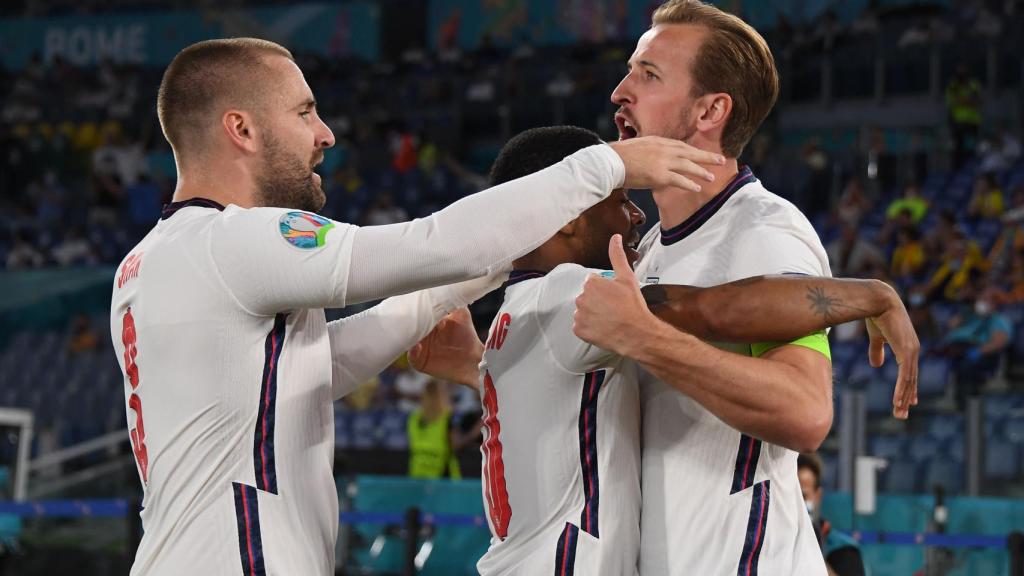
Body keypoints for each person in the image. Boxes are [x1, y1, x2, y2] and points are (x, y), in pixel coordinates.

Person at [107, 38, 720, 576]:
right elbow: (427, 246)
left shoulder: (148, 262)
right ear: (241, 129)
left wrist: (479, 278)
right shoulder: (236, 239)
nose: (325, 134)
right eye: (305, 112)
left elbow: (304, 375)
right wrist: (604, 164)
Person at [412, 126, 919, 575]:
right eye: (617, 199)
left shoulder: (511, 323)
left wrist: (474, 367)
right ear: (566, 218)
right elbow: (714, 310)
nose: (636, 214)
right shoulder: (566, 293)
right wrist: (868, 295)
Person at [572, 2, 916, 573]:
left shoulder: (764, 230)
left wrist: (646, 338)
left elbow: (805, 413)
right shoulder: (653, 245)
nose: (619, 91)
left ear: (711, 111)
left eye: (648, 74)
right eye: (630, 69)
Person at [797, 454, 866, 576]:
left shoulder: (844, 549)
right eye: (788, 497)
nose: (794, 503)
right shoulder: (765, 542)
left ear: (817, 496)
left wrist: (807, 545)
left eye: (802, 496)